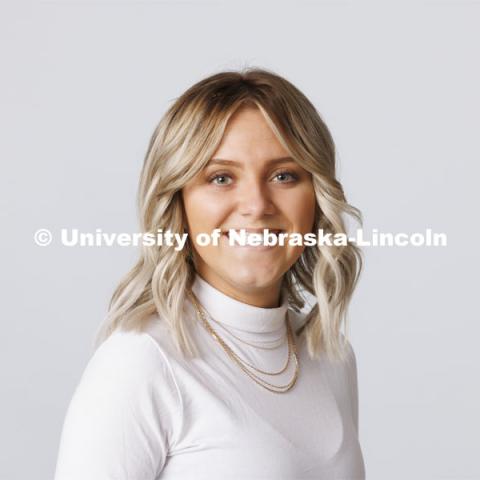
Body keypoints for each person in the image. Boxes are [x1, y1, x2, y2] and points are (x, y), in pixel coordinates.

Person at [54, 68, 365, 479]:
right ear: (177, 201)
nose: (256, 204)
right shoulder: (142, 363)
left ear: (317, 195)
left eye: (284, 175)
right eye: (221, 178)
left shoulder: (332, 358)